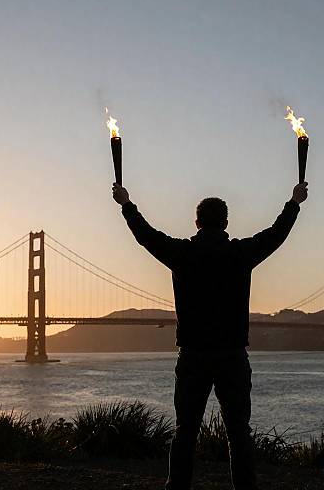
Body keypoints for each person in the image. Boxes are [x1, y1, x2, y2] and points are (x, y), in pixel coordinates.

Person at [112, 181, 308, 490]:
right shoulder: (241, 253)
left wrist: (126, 204)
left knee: (185, 431)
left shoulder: (181, 253)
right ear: (226, 223)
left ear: (197, 222)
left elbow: (145, 236)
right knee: (238, 433)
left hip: (193, 356)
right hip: (232, 355)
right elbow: (276, 234)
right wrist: (294, 202)